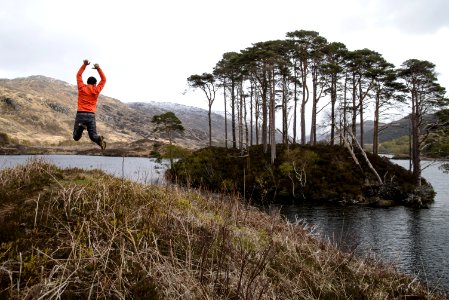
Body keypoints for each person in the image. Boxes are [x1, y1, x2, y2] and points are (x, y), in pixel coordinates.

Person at [72, 59, 107, 150]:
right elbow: (104, 80)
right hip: (91, 115)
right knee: (93, 136)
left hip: (80, 114)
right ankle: (99, 139)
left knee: (76, 137)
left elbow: (78, 75)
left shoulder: (82, 87)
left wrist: (84, 65)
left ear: (87, 82)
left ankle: (80, 127)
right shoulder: (96, 90)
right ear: (95, 84)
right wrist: (98, 68)